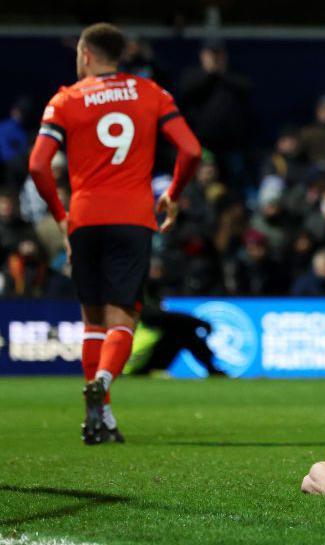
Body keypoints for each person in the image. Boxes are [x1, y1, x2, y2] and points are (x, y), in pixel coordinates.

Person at [27, 22, 201, 444]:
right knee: (124, 318)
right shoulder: (151, 92)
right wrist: (172, 194)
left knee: (93, 321)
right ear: (119, 54)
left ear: (86, 53)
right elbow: (192, 150)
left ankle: (99, 417)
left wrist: (61, 215)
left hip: (85, 219)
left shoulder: (65, 99)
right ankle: (103, 383)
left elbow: (37, 165)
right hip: (134, 218)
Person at [179, 39, 251, 188]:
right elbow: (186, 92)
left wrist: (221, 73)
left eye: (219, 54)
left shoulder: (233, 76)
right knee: (200, 184)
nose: (216, 58)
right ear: (203, 56)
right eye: (212, 54)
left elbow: (247, 88)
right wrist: (210, 74)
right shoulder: (193, 75)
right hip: (202, 144)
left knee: (233, 186)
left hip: (230, 146)